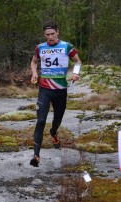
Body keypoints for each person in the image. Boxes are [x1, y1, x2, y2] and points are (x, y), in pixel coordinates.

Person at [30, 20, 82, 167]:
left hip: (60, 90)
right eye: (47, 34)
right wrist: (34, 72)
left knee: (56, 121)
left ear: (57, 32)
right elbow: (34, 62)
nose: (50, 37)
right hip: (45, 89)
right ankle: (36, 156)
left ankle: (53, 132)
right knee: (40, 121)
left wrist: (76, 74)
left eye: (52, 34)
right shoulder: (40, 47)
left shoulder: (66, 46)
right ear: (44, 35)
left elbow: (77, 61)